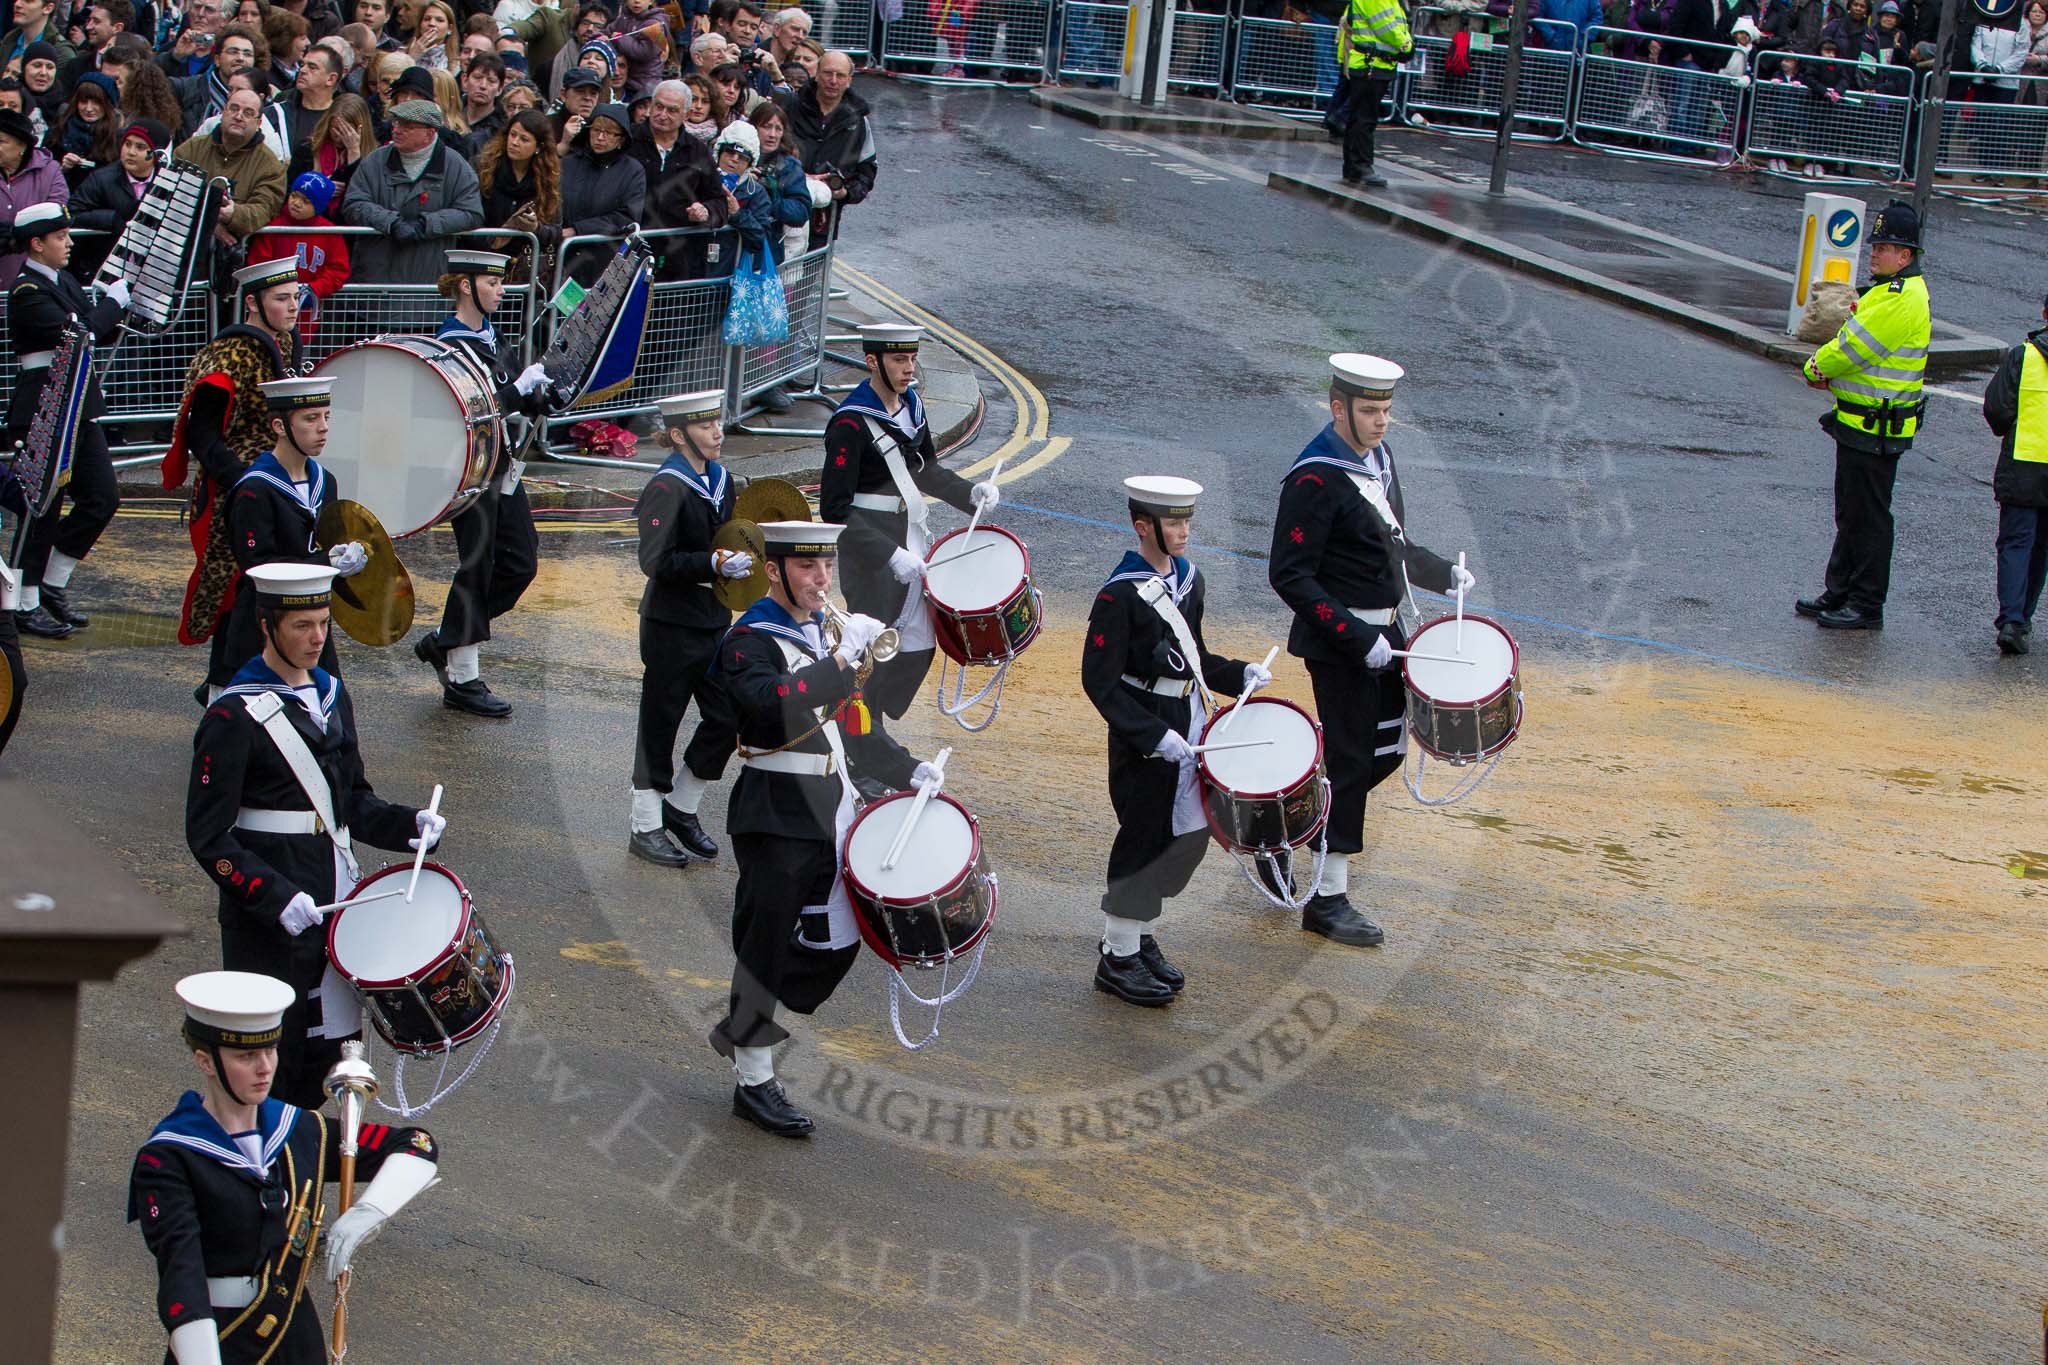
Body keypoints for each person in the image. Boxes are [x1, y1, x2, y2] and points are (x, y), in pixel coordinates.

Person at [186, 558, 445, 1109]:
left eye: (324, 624)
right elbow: (208, 837)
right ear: (268, 625)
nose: (316, 638)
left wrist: (409, 826)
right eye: (302, 626)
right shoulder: (233, 717)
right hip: (269, 921)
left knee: (327, 1064)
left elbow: (351, 800)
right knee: (266, 1073)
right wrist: (273, 898)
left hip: (333, 904)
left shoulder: (331, 694)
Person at [707, 519, 935, 1136]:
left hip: (833, 807)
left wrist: (910, 769)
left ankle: (741, 1028)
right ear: (775, 571)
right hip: (776, 810)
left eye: (827, 566)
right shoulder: (748, 639)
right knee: (766, 945)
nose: (822, 579)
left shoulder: (827, 631)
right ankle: (754, 1079)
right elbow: (772, 702)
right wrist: (838, 662)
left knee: (838, 938)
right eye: (807, 568)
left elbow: (856, 726)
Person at [129, 970, 442, 1365]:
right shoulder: (170, 1158)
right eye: (246, 1056)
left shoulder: (297, 1129)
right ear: (205, 1062)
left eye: (271, 1051)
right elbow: (182, 1282)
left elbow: (417, 1144)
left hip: (296, 1336)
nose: (265, 1067)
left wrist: (370, 1211)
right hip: (220, 1340)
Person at [1268, 353, 1471, 946]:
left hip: (1387, 636)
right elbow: (1290, 575)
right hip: (1342, 644)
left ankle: (1282, 827)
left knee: (1384, 754)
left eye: (1386, 410)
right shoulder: (1314, 478)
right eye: (1369, 411)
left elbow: (1393, 545)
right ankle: (1327, 900)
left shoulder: (1379, 459)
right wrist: (1358, 639)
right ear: (1339, 409)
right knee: (1353, 761)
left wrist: (1441, 575)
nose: (1381, 421)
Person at [1083, 476, 1262, 1005]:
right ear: (1143, 527)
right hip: (1146, 728)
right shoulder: (1119, 595)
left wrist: (1239, 673)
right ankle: (1117, 957)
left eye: (1187, 520)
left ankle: (1135, 930)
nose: (1183, 531)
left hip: (1188, 718)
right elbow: (1098, 681)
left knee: (1187, 835)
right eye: (1173, 522)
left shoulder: (1190, 580)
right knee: (1143, 836)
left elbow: (1197, 658)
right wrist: (1150, 735)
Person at [816, 323, 998, 797]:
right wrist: (889, 554)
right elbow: (834, 512)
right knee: (869, 661)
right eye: (899, 360)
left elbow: (926, 470)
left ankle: (867, 732)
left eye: (912, 358)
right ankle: (860, 752)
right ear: (873, 361)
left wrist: (969, 494)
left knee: (916, 644)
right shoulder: (851, 423)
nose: (909, 367)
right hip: (874, 557)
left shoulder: (912, 405)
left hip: (912, 543)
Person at [414, 249, 551, 716]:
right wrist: (516, 392)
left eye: (501, 281)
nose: (502, 289)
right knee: (478, 565)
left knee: (521, 562)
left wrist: (538, 396)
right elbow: (471, 406)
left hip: (500, 465)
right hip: (468, 468)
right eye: (492, 283)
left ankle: (447, 640)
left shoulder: (489, 337)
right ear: (465, 286)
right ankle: (463, 677)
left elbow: (510, 395)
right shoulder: (450, 344)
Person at [165, 256, 305, 698]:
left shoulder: (283, 344)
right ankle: (221, 686)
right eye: (281, 298)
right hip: (235, 490)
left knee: (262, 589)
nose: (293, 306)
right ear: (252, 303)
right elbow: (201, 431)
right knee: (237, 591)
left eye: (295, 296)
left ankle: (233, 683)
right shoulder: (229, 353)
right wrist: (245, 480)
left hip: (272, 481)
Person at [1796, 200, 1930, 631]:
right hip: (1860, 421)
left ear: (1905, 256)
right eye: (1876, 245)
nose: (1875, 252)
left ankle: (1866, 604)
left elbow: (1854, 349)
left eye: (1885, 246)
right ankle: (1840, 590)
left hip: (1877, 427)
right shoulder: (1888, 292)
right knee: (1851, 513)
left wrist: (1815, 368)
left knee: (1868, 518)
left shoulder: (1900, 299)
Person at [628, 389, 743, 867]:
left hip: (713, 621)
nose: (716, 432)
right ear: (678, 435)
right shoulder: (667, 486)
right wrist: (711, 563)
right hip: (671, 624)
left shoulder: (722, 479)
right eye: (703, 426)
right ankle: (644, 825)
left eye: (716, 422)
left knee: (730, 716)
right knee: (661, 724)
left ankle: (682, 806)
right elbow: (654, 560)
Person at [5, 202, 125, 640]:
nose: (69, 243)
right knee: (42, 509)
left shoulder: (64, 281)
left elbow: (92, 327)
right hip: (43, 408)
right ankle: (21, 601)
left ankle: (52, 584)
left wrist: (113, 308)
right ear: (37, 244)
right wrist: (111, 305)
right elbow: (79, 333)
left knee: (101, 497)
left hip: (78, 407)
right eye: (60, 237)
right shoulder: (26, 291)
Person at [338, 97, 482, 283]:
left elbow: (471, 213)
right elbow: (353, 204)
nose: (396, 130)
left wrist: (427, 224)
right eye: (396, 123)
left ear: (430, 133)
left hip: (429, 281)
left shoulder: (456, 167)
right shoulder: (374, 162)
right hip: (376, 278)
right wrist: (391, 222)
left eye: (407, 126)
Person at [1981, 294, 2048, 656]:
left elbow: (1996, 408)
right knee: (2042, 548)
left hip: (2022, 466)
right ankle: (2023, 619)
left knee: (2015, 544)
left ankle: (2009, 619)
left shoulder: (2025, 356)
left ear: (2044, 314)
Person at [632, 76, 727, 283]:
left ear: (685, 114)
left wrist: (705, 212)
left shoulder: (697, 151)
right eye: (658, 106)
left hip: (679, 261)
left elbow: (719, 202)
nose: (662, 115)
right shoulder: (629, 141)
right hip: (631, 253)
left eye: (672, 110)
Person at [174, 83, 286, 253]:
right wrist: (210, 223)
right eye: (234, 109)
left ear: (259, 122)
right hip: (181, 249)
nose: (239, 116)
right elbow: (172, 194)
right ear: (223, 112)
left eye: (248, 113)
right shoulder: (190, 149)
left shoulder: (270, 166)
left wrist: (232, 213)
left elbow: (263, 210)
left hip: (230, 258)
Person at [244, 170, 349, 347]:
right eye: (294, 196)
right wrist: (276, 291)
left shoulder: (330, 233)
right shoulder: (274, 227)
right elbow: (259, 264)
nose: (297, 203)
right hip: (271, 309)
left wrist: (314, 290)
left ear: (319, 205)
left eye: (306, 201)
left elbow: (339, 270)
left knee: (298, 352)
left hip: (305, 315)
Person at [782, 48, 872, 250]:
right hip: (784, 206)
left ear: (849, 80)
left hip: (825, 215)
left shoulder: (858, 120)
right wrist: (794, 175)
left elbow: (867, 169)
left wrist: (844, 192)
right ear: (816, 75)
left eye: (840, 75)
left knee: (813, 275)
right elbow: (768, 149)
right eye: (828, 73)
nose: (833, 80)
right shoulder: (789, 106)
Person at [61, 114, 165, 281]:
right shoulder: (101, 179)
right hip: (105, 271)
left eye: (140, 147)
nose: (131, 152)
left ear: (155, 154)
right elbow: (71, 213)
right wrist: (109, 219)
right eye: (127, 144)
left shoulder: (167, 182)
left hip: (153, 274)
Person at [557, 99, 643, 283]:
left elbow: (627, 216)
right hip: (565, 259)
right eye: (596, 130)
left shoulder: (632, 170)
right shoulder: (569, 163)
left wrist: (577, 230)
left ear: (621, 139)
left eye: (609, 133)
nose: (601, 137)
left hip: (605, 261)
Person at [1334, 0, 1409, 187]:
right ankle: (1361, 167)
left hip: (1373, 63)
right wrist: (1407, 46)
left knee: (1360, 117)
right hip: (1371, 64)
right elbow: (1386, 27)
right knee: (1364, 118)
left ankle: (1354, 167)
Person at [0, 104, 65, 285]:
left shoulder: (49, 171)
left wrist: (17, 235)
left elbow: (58, 214)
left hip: (34, 276)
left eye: (1, 142)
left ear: (22, 144)